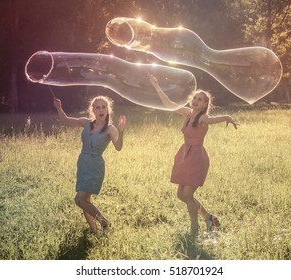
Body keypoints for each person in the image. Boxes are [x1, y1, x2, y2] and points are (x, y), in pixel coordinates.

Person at [149, 75, 239, 235]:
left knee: (188, 194)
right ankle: (208, 216)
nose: (196, 100)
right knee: (180, 195)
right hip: (185, 156)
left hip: (197, 158)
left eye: (200, 99)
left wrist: (227, 117)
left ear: (205, 104)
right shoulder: (188, 113)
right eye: (195, 97)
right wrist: (156, 86)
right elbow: (169, 104)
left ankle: (194, 228)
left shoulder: (202, 117)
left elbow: (212, 119)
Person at [53, 96, 127, 234]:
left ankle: (104, 222)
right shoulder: (86, 122)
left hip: (95, 167)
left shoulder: (111, 129)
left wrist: (121, 132)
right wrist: (59, 107)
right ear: (92, 110)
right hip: (83, 164)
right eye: (97, 107)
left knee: (79, 199)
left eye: (103, 107)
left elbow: (118, 147)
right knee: (85, 201)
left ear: (108, 110)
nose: (101, 110)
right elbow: (65, 120)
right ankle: (94, 230)